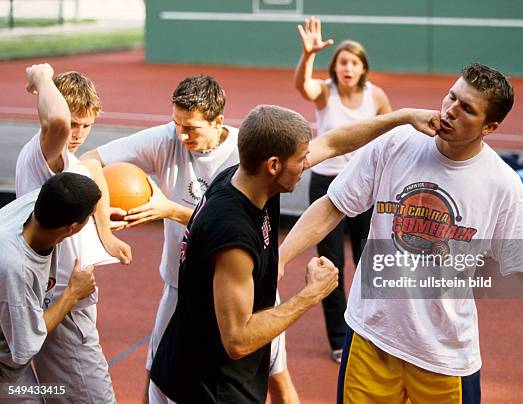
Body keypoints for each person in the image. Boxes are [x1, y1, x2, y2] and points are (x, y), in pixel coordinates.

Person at [279, 63, 523, 403]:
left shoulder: (502, 183)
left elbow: (520, 252)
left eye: (466, 108)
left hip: (443, 353)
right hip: (372, 335)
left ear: (490, 126)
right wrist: (281, 256)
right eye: (451, 97)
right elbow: (333, 205)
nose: (450, 110)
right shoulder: (396, 144)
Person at [149, 104, 441, 403]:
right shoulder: (233, 234)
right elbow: (237, 340)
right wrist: (311, 293)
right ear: (274, 165)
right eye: (301, 160)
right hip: (207, 388)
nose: (306, 165)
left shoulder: (244, 178)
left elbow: (333, 142)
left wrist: (403, 117)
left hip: (198, 371)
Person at [80, 75, 299, 403]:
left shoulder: (246, 153)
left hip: (246, 288)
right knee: (158, 373)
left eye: (192, 128)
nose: (181, 134)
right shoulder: (167, 138)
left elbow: (240, 226)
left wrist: (170, 209)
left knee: (276, 376)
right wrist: (105, 233)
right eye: (176, 123)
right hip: (182, 286)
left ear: (218, 122)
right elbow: (90, 160)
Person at [16, 63, 131, 404]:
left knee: (49, 394)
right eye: (74, 123)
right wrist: (41, 78)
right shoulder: (45, 154)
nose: (77, 133)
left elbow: (93, 168)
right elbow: (57, 123)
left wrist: (104, 229)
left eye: (87, 125)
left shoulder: (68, 160)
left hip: (59, 299)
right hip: (62, 302)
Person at [294, 17, 393, 362]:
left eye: (354, 62)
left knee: (370, 260)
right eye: (342, 61)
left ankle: (372, 331)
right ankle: (339, 339)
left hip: (365, 188)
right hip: (327, 185)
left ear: (363, 67)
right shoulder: (325, 92)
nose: (348, 67)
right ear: (334, 67)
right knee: (330, 264)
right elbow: (302, 86)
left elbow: (390, 135)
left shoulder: (375, 96)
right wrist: (308, 56)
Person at [0, 173, 100, 402]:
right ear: (72, 227)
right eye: (90, 218)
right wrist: (73, 293)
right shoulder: (16, 268)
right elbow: (25, 346)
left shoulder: (43, 200)